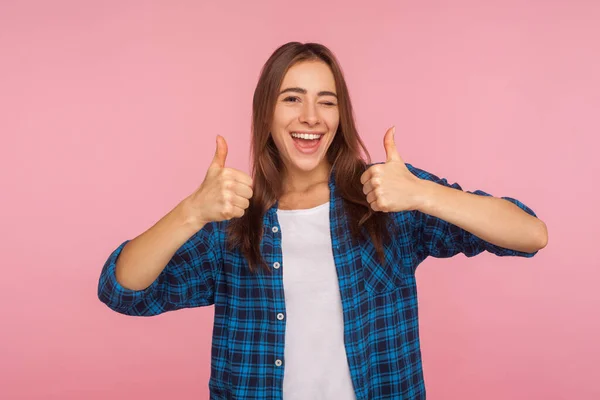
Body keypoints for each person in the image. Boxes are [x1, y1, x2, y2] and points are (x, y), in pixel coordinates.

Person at [97, 42, 548, 400]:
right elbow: (122, 290)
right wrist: (191, 211)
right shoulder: (235, 218)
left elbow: (529, 234)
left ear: (340, 115)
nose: (310, 117)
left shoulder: (388, 197)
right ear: (266, 113)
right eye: (292, 99)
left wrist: (423, 193)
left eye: (325, 102)